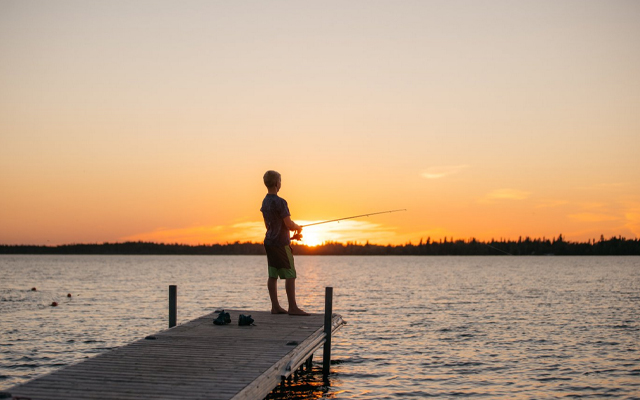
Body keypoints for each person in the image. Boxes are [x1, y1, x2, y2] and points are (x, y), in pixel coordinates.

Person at [260, 170, 309, 316]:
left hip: (269, 242)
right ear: (277, 183)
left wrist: (291, 238)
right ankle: (292, 308)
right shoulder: (280, 202)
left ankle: (275, 307)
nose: (281, 183)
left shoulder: (265, 201)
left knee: (272, 274)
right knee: (290, 274)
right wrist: (297, 227)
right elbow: (288, 223)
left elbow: (269, 226)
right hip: (281, 244)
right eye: (280, 181)